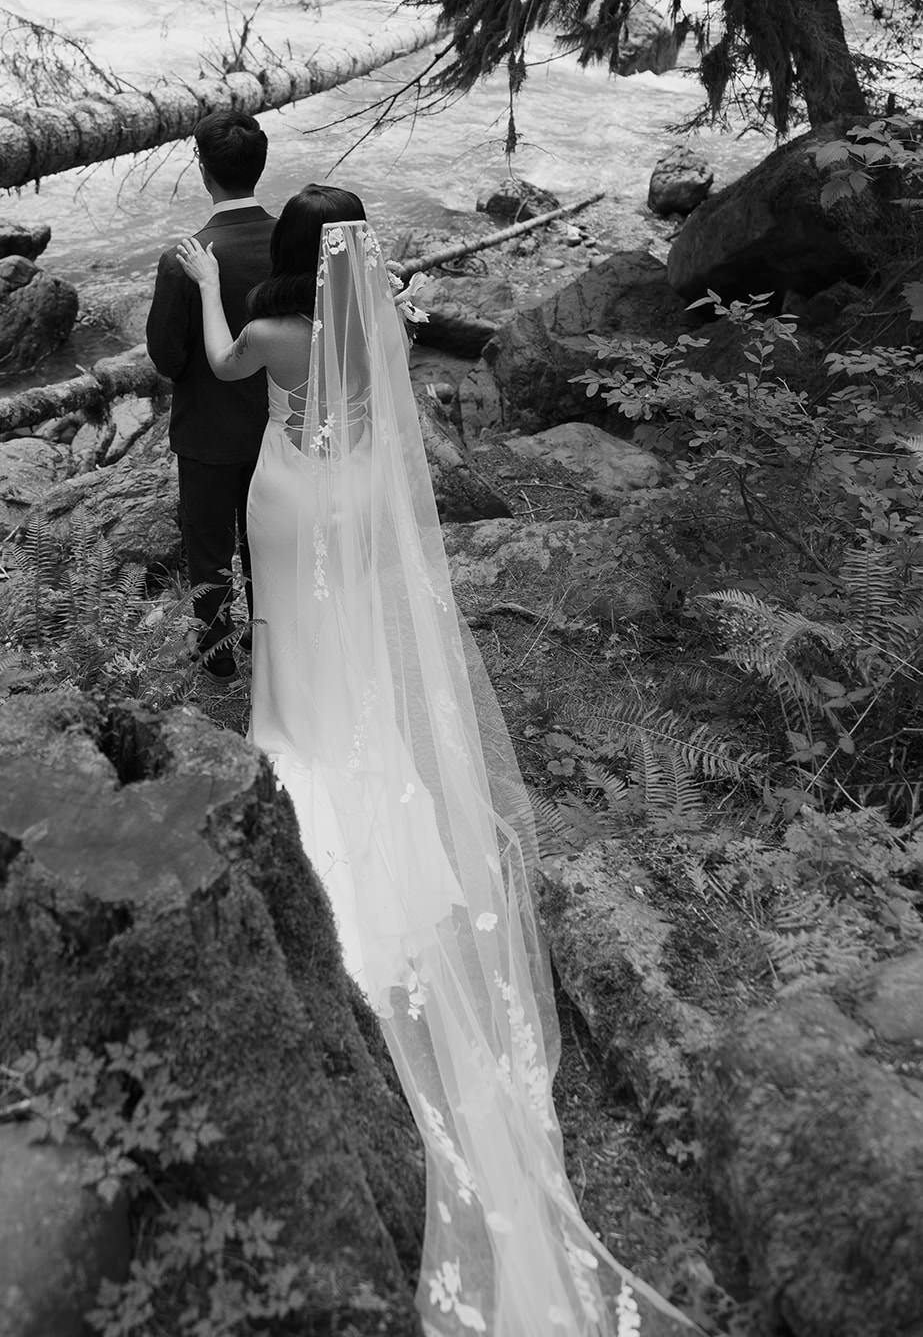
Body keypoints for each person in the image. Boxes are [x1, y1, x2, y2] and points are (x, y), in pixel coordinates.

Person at [175, 188, 696, 1337]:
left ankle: (294, 759)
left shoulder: (268, 329)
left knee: (288, 630)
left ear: (291, 253)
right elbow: (390, 385)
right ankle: (368, 776)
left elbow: (217, 366)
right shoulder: (384, 322)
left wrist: (208, 280)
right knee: (355, 636)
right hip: (359, 493)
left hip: (289, 494)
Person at [146, 111, 275, 682]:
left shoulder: (185, 259)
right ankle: (272, 639)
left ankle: (218, 653)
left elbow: (167, 357)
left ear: (203, 170)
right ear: (260, 165)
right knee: (268, 538)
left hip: (207, 429)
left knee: (208, 543)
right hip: (280, 423)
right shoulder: (293, 243)